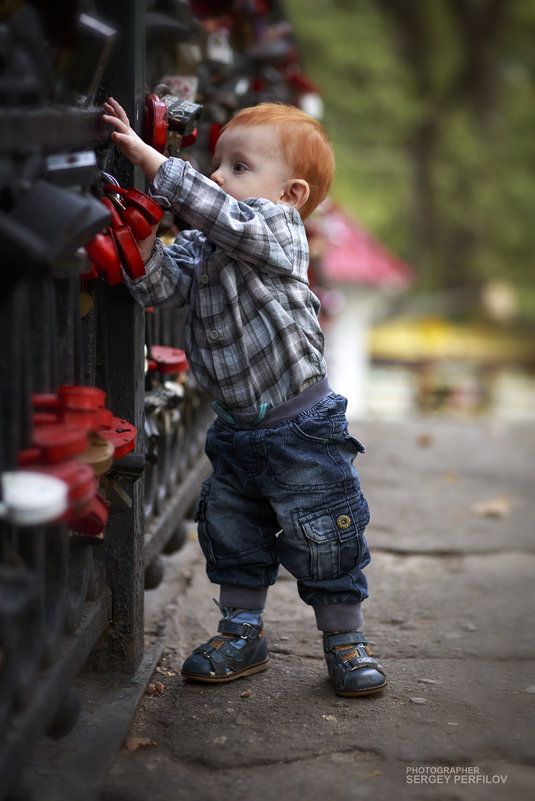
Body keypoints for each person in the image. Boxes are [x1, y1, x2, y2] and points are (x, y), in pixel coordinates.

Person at [102, 97, 386, 697]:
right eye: (217, 165)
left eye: (238, 168)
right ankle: (241, 631)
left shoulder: (277, 230)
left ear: (292, 195)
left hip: (301, 427)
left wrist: (152, 160)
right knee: (233, 533)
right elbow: (160, 287)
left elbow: (225, 218)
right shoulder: (209, 245)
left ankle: (344, 639)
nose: (217, 178)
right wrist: (142, 240)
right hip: (235, 430)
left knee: (325, 536)